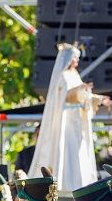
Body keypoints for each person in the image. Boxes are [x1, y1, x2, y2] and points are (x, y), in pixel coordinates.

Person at [29, 44, 107, 192]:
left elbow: (84, 96)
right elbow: (65, 96)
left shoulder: (74, 75)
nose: (77, 62)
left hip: (77, 123)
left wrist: (99, 98)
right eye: (75, 58)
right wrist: (80, 89)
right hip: (67, 123)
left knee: (78, 157)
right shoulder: (62, 76)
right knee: (66, 155)